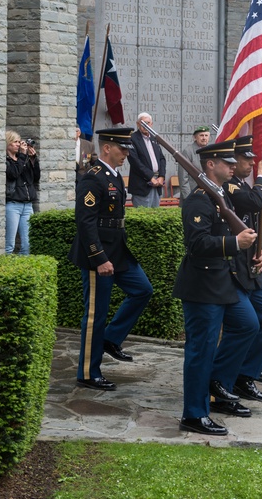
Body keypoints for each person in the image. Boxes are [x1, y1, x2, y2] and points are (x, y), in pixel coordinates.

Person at [176, 140, 259, 436]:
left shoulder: (222, 195)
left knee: (248, 324)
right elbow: (196, 243)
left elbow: (238, 230)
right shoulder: (200, 199)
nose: (233, 166)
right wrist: (235, 244)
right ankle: (194, 414)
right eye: (227, 162)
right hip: (202, 283)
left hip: (224, 279)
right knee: (201, 349)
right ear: (210, 164)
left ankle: (218, 384)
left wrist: (254, 250)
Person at [68, 127, 153, 392]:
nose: (127, 153)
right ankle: (88, 373)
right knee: (95, 315)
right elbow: (85, 221)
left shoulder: (114, 175)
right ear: (107, 148)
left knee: (142, 290)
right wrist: (99, 257)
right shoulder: (93, 177)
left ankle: (111, 339)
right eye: (122, 148)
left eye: (128, 149)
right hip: (99, 255)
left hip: (117, 251)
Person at [216, 136, 262, 407]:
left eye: (252, 159)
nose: (251, 163)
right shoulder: (230, 186)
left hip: (251, 264)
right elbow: (254, 204)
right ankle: (226, 379)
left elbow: (256, 222)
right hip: (234, 266)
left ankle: (245, 373)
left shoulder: (244, 185)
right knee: (247, 324)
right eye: (245, 158)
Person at [5, 130, 40, 255]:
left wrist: (33, 159)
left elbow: (35, 177)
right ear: (7, 143)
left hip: (27, 205)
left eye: (19, 142)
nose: (18, 145)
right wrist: (23, 156)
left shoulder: (22, 158)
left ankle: (21, 271)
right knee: (9, 245)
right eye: (15, 142)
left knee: (28, 245)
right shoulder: (7, 161)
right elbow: (13, 173)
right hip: (13, 205)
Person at [127, 112, 167, 208]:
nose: (146, 126)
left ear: (151, 124)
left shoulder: (154, 138)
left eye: (148, 123)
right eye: (143, 123)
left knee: (155, 218)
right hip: (142, 186)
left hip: (157, 184)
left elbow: (162, 158)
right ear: (137, 124)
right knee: (143, 219)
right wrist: (151, 177)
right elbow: (135, 162)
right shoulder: (132, 139)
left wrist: (161, 176)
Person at [178, 125, 210, 202]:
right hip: (192, 193)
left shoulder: (209, 151)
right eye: (201, 135)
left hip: (207, 194)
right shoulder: (188, 151)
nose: (204, 138)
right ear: (195, 137)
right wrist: (188, 197)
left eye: (206, 135)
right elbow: (183, 176)